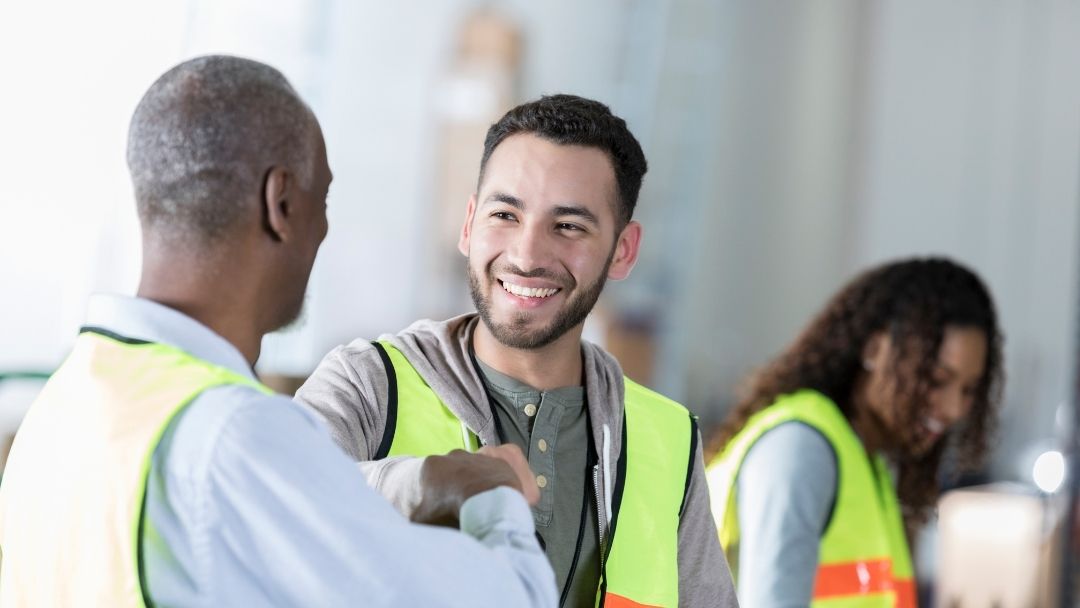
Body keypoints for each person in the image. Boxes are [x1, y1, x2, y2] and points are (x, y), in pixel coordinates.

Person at [0, 55, 558, 607]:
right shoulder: (232, 433)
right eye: (324, 198)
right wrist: (491, 494)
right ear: (282, 202)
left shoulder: (69, 401)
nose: (325, 227)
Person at [295, 94, 738, 607]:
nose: (526, 255)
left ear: (623, 249)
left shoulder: (669, 440)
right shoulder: (369, 384)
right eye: (505, 213)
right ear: (468, 224)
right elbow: (272, 500)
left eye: (568, 226)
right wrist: (428, 482)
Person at [705, 257, 1004, 607]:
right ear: (876, 349)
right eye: (936, 380)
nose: (953, 409)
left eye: (968, 390)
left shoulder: (867, 467)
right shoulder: (800, 451)